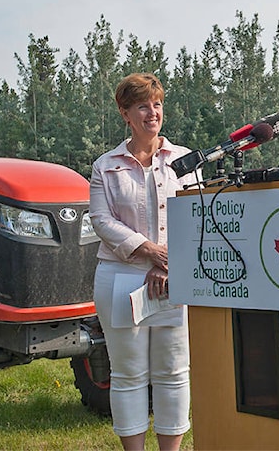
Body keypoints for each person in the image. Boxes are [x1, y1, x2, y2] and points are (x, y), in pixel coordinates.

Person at [88, 72, 198, 451]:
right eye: (142, 106)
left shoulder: (185, 161)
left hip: (175, 276)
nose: (153, 112)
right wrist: (150, 252)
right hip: (121, 277)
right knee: (129, 373)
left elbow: (196, 214)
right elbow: (102, 221)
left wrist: (168, 264)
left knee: (174, 371)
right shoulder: (105, 165)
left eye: (157, 104)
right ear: (125, 113)